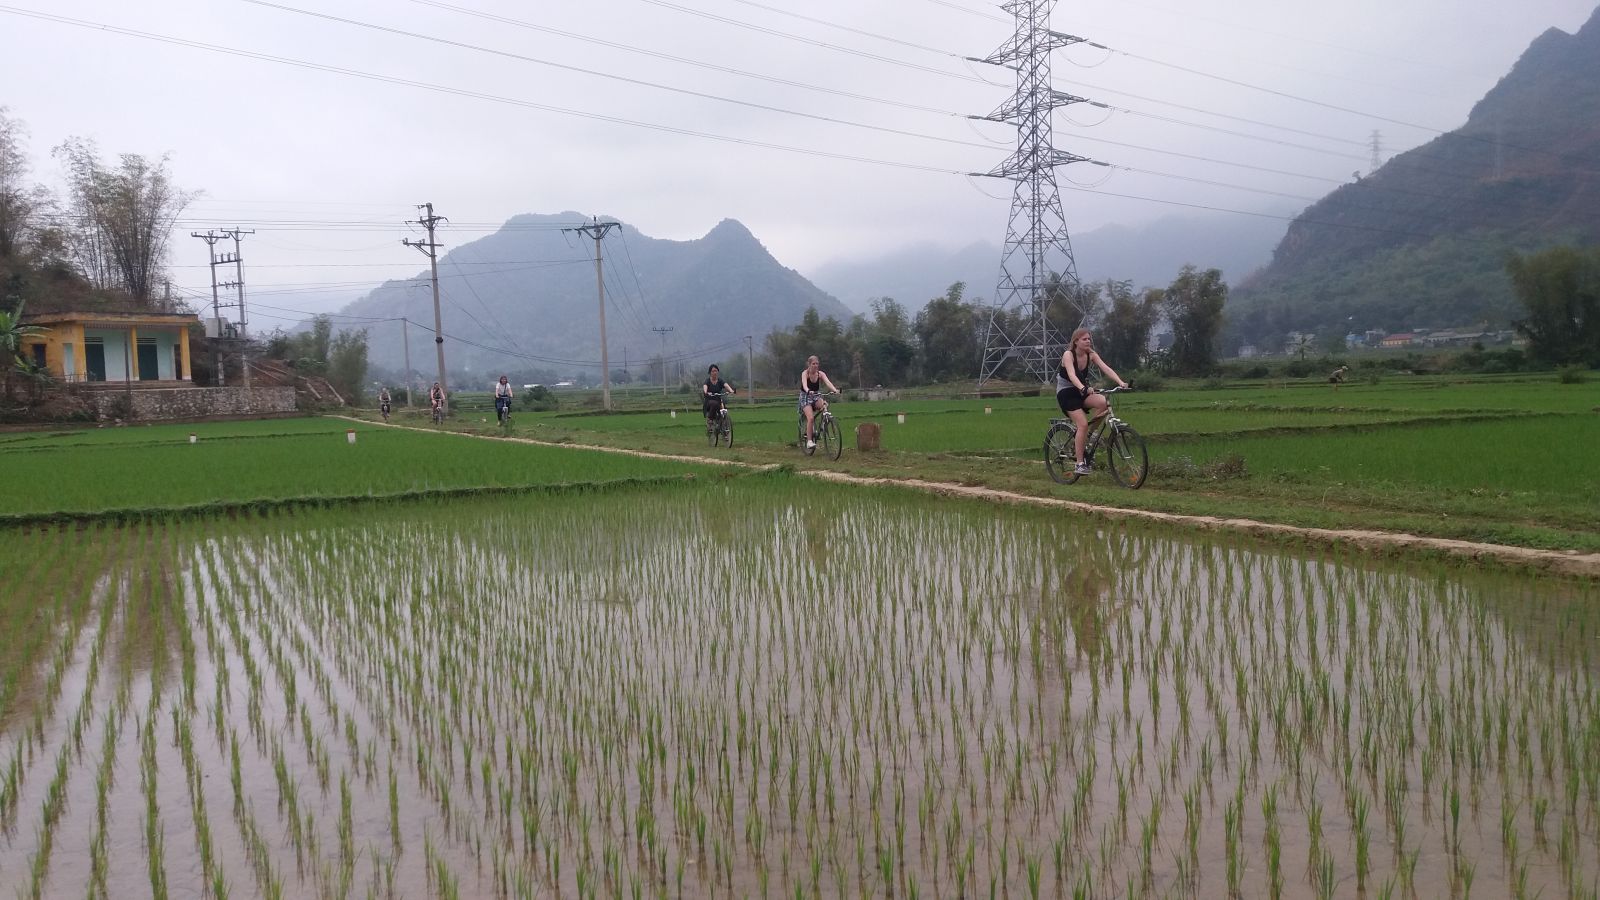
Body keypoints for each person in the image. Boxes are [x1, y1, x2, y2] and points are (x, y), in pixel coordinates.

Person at [1057, 329, 1129, 476]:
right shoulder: (1068, 355)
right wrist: (1083, 388)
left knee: (1103, 402)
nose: (1088, 341)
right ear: (1076, 341)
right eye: (1084, 339)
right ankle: (1079, 464)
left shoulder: (1091, 354)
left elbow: (1105, 368)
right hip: (1067, 393)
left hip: (1082, 391)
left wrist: (1120, 382)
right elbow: (1071, 374)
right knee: (1082, 424)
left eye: (1089, 339)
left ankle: (1089, 434)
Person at [797, 355, 839, 450]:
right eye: (813, 364)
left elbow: (828, 383)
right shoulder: (805, 373)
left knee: (825, 406)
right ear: (809, 364)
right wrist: (808, 390)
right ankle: (809, 441)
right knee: (811, 418)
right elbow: (804, 384)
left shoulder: (820, 374)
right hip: (805, 397)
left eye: (817, 364)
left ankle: (824, 423)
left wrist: (835, 390)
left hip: (816, 396)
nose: (815, 365)